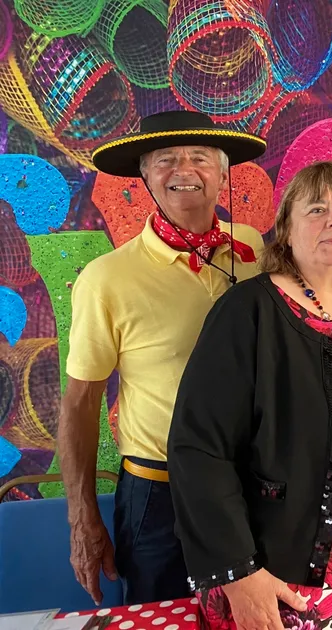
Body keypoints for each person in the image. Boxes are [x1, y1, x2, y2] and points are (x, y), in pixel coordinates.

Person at [167, 161, 332, 629]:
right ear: (286, 230)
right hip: (284, 589)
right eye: (316, 209)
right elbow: (198, 449)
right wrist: (239, 573)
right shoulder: (250, 310)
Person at [59, 111, 266, 605]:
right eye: (166, 160)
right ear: (146, 176)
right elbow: (80, 404)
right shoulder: (106, 278)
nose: (184, 169)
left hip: (254, 487)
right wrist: (81, 517)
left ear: (222, 173)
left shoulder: (255, 250)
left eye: (199, 158)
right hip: (160, 496)